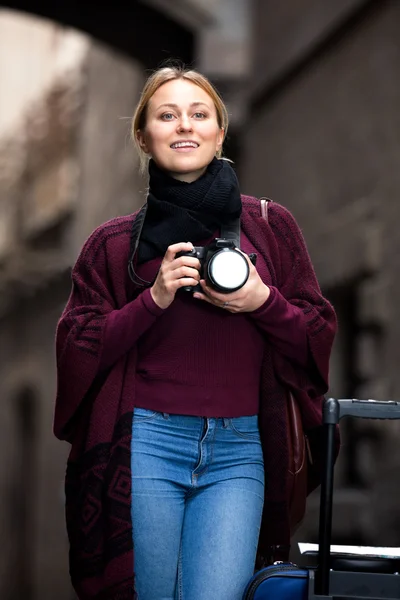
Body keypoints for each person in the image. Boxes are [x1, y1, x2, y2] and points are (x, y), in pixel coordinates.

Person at [54, 64, 337, 600]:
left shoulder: (272, 228)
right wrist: (154, 299)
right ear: (144, 135)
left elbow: (316, 335)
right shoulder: (111, 246)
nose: (184, 125)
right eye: (167, 115)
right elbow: (76, 350)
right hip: (148, 445)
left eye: (198, 113)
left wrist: (261, 301)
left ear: (219, 131)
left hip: (240, 451)